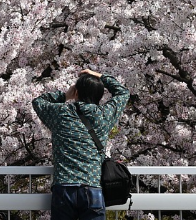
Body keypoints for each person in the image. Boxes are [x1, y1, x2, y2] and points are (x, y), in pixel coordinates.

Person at [32, 69, 129, 220]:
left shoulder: (61, 113)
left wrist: (65, 95)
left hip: (64, 188)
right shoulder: (104, 115)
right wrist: (100, 76)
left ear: (76, 93)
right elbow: (123, 93)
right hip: (92, 188)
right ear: (99, 95)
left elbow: (38, 102)